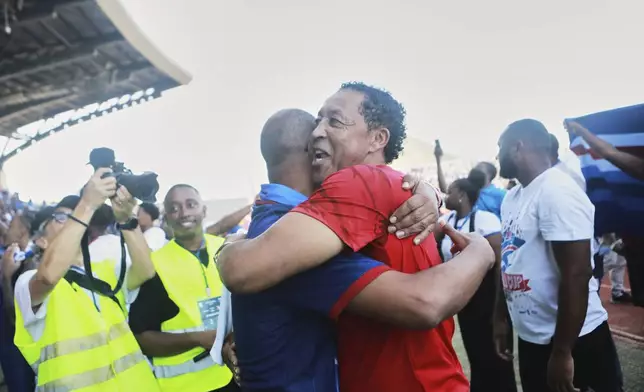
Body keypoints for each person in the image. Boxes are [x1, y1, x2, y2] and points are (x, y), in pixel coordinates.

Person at [218, 83, 497, 392]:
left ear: (377, 139)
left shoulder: (358, 181)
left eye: (334, 121)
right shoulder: (387, 186)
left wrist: (481, 252)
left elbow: (242, 270)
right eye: (318, 120)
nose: (317, 132)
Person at [494, 119, 622, 392]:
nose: (497, 155)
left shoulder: (556, 190)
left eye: (500, 147)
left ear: (518, 146)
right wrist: (502, 317)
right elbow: (509, 260)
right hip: (532, 338)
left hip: (576, 339)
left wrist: (563, 351)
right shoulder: (512, 197)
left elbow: (576, 274)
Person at [12, 169, 160, 391]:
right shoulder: (27, 281)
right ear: (41, 240)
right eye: (63, 218)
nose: (74, 221)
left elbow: (146, 270)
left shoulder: (105, 271)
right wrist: (87, 205)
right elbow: (49, 276)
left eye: (77, 216)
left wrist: (126, 218)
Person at [128, 184, 237, 392]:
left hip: (236, 378)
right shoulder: (155, 266)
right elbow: (142, 339)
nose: (184, 213)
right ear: (166, 217)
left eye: (191, 204)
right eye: (174, 208)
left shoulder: (227, 250)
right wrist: (197, 339)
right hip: (186, 386)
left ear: (204, 211)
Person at [437, 169, 517, 392]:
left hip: (488, 297)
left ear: (462, 195)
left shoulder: (485, 220)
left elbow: (500, 265)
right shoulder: (448, 221)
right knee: (476, 355)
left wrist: (499, 311)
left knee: (497, 359)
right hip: (464, 298)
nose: (446, 196)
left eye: (451, 192)